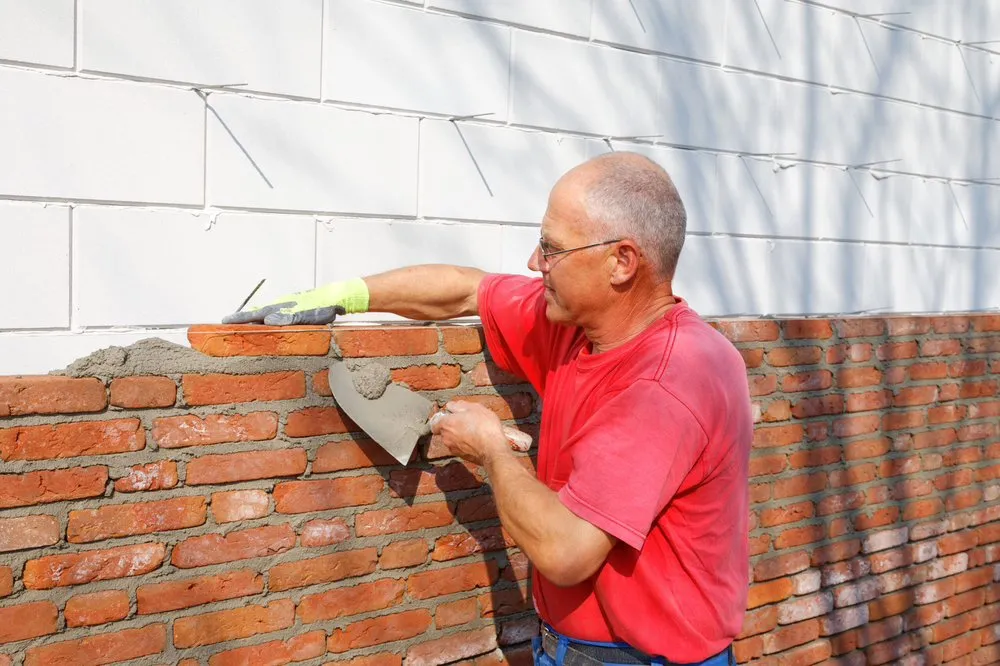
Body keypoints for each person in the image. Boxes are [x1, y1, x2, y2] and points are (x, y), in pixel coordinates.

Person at [224, 152, 752, 666]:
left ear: (622, 261)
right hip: (569, 646)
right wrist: (344, 296)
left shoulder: (664, 383)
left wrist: (492, 452)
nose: (533, 262)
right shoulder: (580, 329)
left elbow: (566, 553)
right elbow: (466, 290)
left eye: (552, 248)